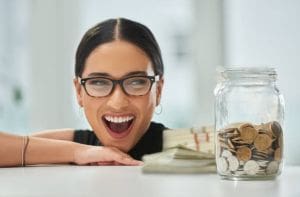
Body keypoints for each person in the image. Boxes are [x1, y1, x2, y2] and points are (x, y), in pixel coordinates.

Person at [0, 18, 166, 167]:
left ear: (158, 90)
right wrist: (77, 152)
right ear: (79, 92)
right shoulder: (83, 144)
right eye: (99, 82)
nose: (117, 103)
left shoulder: (184, 145)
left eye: (136, 82)